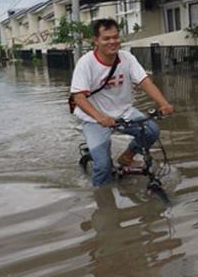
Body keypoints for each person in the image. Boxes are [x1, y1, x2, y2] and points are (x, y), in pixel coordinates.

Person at [70, 18, 174, 187]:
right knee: (102, 167)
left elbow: (144, 81)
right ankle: (103, 202)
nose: (113, 42)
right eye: (106, 38)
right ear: (96, 41)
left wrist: (164, 104)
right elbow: (79, 97)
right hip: (94, 118)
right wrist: (100, 118)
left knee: (151, 131)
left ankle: (127, 157)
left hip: (124, 112)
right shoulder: (86, 63)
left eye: (116, 37)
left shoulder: (127, 58)